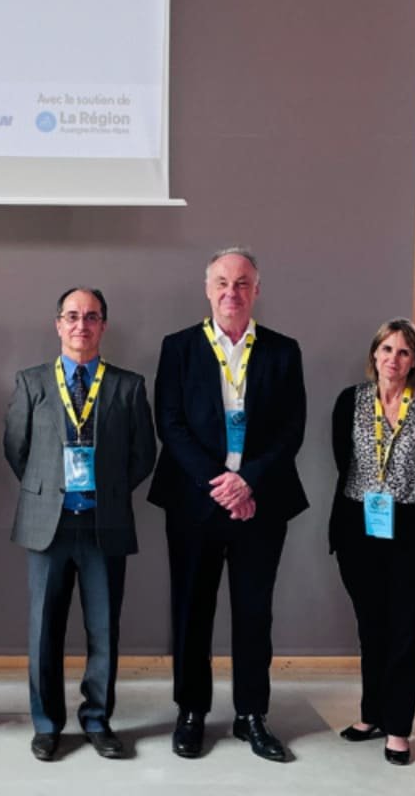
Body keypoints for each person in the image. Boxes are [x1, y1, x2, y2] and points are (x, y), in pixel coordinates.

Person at [150, 246, 307, 762]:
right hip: (195, 500)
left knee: (254, 612)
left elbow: (291, 430)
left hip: (260, 503)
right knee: (192, 610)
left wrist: (248, 483)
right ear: (207, 289)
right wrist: (219, 482)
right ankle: (192, 712)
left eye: (242, 283)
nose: (231, 292)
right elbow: (169, 423)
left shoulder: (284, 351)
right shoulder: (179, 348)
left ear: (257, 290)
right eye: (222, 282)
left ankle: (251, 715)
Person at [3, 287, 156, 762]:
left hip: (102, 524)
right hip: (48, 524)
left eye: (91, 317)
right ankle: (47, 725)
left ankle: (97, 720)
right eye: (72, 316)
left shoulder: (128, 386)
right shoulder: (32, 383)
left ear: (103, 326)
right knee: (43, 630)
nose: (81, 325)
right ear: (57, 324)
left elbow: (142, 455)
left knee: (103, 630)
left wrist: (105, 490)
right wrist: (50, 490)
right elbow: (17, 449)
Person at [329, 319, 415, 766]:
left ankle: (398, 728)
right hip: (358, 530)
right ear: (374, 355)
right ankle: (371, 715)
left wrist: (404, 514)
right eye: (386, 349)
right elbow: (343, 464)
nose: (393, 359)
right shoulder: (350, 403)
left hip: (413, 534)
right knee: (371, 628)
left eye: (404, 352)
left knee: (404, 631)